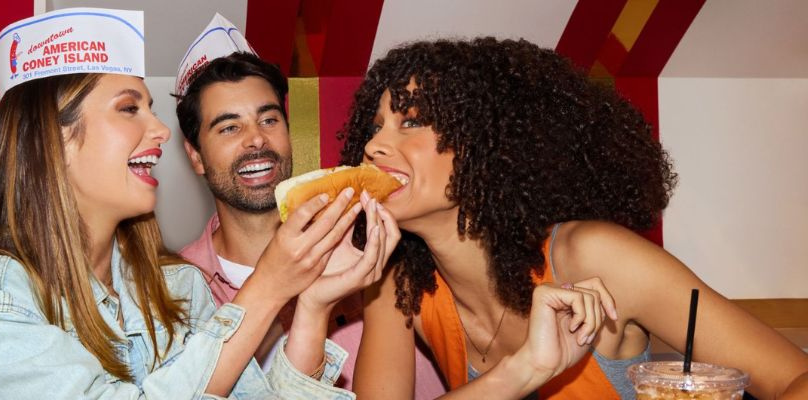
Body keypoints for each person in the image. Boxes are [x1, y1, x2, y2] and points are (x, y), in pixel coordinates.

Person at [0, 8, 391, 399]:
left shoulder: (175, 286)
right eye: (128, 108)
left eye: (151, 109)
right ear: (53, 141)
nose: (160, 131)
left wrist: (312, 305)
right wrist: (269, 285)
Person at [344, 38, 808, 399]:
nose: (373, 146)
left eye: (410, 121)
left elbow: (796, 379)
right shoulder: (398, 283)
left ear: (483, 145)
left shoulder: (593, 256)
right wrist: (521, 371)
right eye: (376, 127)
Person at [174, 47, 448, 395]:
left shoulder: (376, 240)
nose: (256, 139)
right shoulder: (170, 292)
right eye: (229, 127)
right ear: (196, 156)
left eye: (269, 120)